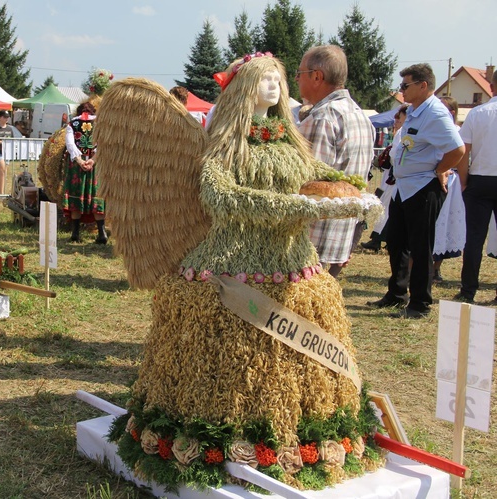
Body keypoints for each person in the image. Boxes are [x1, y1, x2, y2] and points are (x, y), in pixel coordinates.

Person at [96, 54, 383, 487]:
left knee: (309, 315)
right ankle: (213, 436)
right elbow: (219, 196)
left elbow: (312, 171)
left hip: (291, 258)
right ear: (243, 87)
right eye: (263, 78)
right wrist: (290, 207)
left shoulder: (288, 137)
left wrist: (353, 189)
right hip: (232, 259)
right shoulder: (226, 142)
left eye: (278, 78)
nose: (273, 85)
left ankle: (303, 437)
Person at [367, 63, 465, 318]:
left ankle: (420, 303)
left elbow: (458, 150)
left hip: (423, 187)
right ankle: (396, 294)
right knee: (396, 242)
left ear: (423, 85)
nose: (402, 90)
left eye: (405, 85)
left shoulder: (436, 114)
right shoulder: (413, 110)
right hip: (404, 187)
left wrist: (438, 170)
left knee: (421, 248)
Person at [296, 45, 375, 278]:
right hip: (342, 235)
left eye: (299, 73)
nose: (297, 80)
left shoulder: (322, 117)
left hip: (314, 238)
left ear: (317, 76)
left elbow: (307, 183)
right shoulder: (359, 114)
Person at [456, 70, 497, 303]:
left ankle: (468, 290)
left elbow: (464, 152)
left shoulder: (477, 113)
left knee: (474, 238)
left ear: (491, 87)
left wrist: (463, 181)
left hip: (480, 178)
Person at [361, 104, 409, 251]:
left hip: (396, 177)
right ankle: (380, 238)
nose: (396, 121)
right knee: (386, 206)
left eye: (399, 118)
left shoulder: (402, 132)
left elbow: (396, 155)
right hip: (394, 177)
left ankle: (379, 239)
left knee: (387, 207)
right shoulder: (403, 132)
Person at [63, 101, 106, 243]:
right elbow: (104, 145)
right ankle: (102, 234)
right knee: (96, 196)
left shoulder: (72, 124)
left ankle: (75, 233)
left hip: (77, 166)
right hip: (95, 164)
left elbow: (70, 144)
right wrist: (92, 160)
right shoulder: (100, 123)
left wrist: (80, 161)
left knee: (76, 195)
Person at [432, 96, 463, 283]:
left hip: (452, 183)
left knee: (446, 225)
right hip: (433, 178)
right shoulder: (434, 129)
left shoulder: (458, 131)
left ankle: (436, 267)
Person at [0, 110, 21, 194]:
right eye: (4, 117)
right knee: (2, 170)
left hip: (7, 153)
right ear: (0, 117)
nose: (6, 119)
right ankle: (1, 193)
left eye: (7, 117)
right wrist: (1, 142)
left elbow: (13, 140)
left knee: (3, 172)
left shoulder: (10, 128)